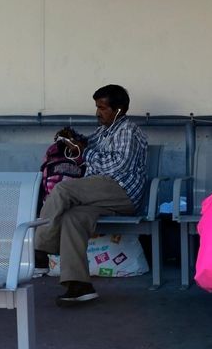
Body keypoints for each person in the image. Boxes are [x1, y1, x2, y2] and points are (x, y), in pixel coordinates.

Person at [34, 84, 148, 306]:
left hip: (121, 190)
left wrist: (84, 150)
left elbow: (118, 165)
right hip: (101, 194)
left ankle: (39, 249)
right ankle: (79, 286)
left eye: (103, 108)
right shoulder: (104, 131)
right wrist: (71, 138)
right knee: (72, 218)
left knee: (63, 189)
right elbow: (87, 145)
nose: (98, 113)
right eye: (97, 107)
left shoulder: (128, 130)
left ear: (119, 110)